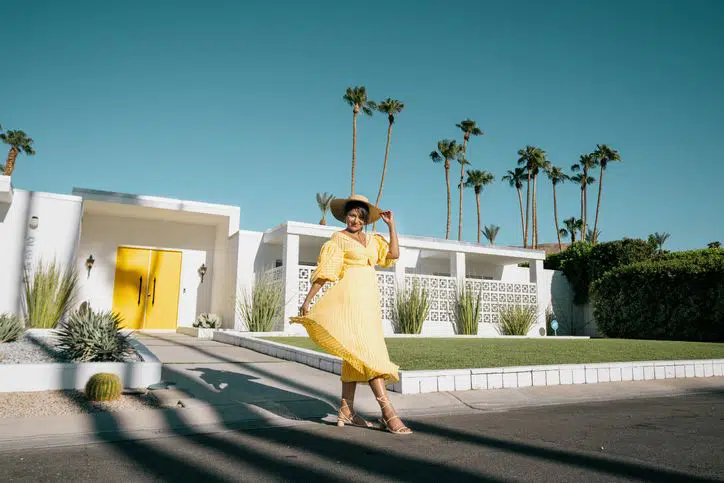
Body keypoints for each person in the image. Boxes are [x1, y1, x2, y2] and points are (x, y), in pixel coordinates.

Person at [290, 194, 412, 435]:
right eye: (351, 215)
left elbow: (394, 255)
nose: (355, 219)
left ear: (366, 220)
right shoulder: (338, 239)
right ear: (346, 216)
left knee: (354, 354)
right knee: (370, 352)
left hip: (369, 302)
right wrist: (308, 299)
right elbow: (326, 272)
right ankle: (388, 413)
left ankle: (346, 410)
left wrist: (391, 226)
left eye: (359, 216)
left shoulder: (374, 240)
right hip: (349, 300)